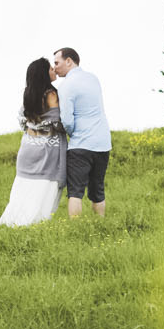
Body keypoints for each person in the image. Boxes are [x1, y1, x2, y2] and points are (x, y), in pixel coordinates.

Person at [0, 59, 67, 228]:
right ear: (44, 73)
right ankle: (32, 225)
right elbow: (57, 123)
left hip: (28, 147)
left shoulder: (28, 93)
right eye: (50, 68)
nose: (54, 70)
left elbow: (23, 120)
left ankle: (13, 224)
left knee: (23, 190)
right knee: (42, 190)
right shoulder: (51, 94)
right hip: (46, 151)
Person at [51, 46, 111, 219]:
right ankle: (100, 224)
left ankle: (76, 229)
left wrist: (71, 133)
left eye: (57, 62)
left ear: (69, 61)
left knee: (75, 192)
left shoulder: (65, 86)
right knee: (98, 189)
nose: (54, 67)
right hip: (103, 143)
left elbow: (67, 120)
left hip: (80, 145)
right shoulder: (93, 78)